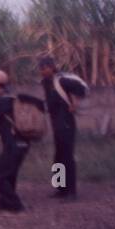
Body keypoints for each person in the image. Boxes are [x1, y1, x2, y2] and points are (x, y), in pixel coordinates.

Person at [0, 69, 39, 213]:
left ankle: (17, 206)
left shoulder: (2, 101)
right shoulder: (12, 99)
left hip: (13, 144)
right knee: (10, 174)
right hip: (23, 143)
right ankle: (5, 205)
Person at [39, 56, 85, 200]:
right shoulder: (45, 82)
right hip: (55, 123)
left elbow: (81, 89)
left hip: (66, 122)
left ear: (52, 67)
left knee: (67, 157)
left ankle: (72, 192)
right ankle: (60, 189)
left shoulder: (62, 80)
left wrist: (75, 103)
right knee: (58, 156)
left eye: (44, 68)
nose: (42, 71)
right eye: (40, 69)